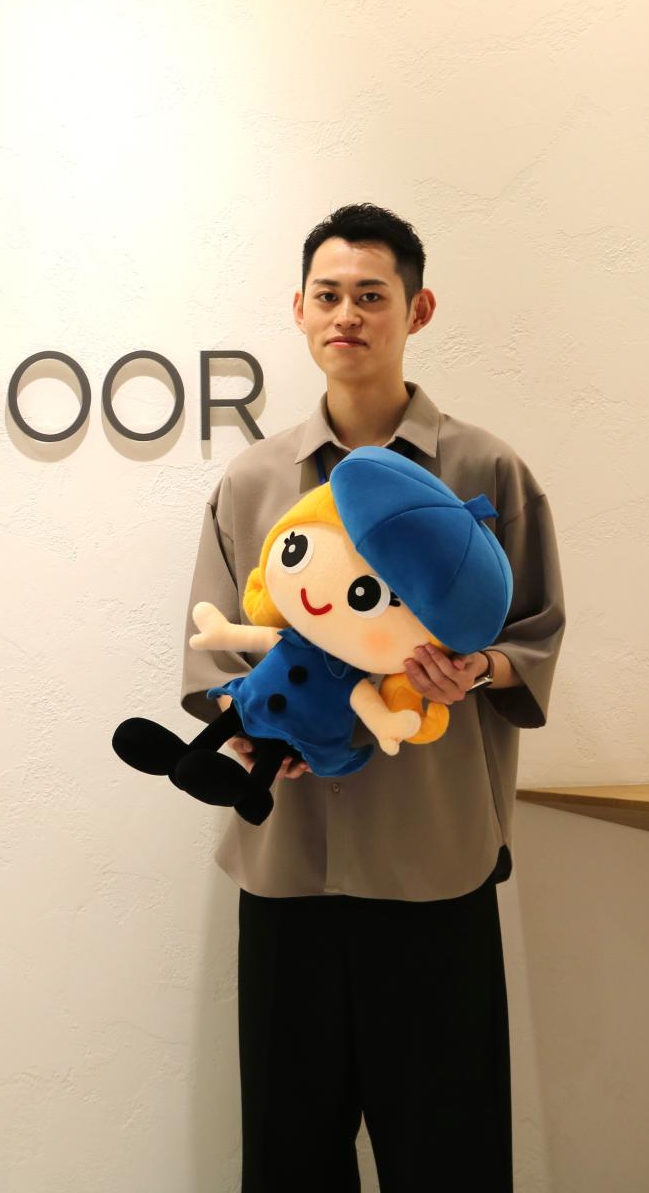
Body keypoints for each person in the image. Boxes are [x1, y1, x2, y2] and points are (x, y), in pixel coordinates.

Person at [179, 205, 566, 1191]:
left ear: (417, 310)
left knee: (449, 1153)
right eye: (328, 295)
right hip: (286, 870)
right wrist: (247, 737)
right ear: (299, 309)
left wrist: (475, 670)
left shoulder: (484, 472)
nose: (346, 314)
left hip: (434, 863)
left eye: (370, 295)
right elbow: (212, 663)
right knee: (290, 1155)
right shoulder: (253, 481)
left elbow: (535, 633)